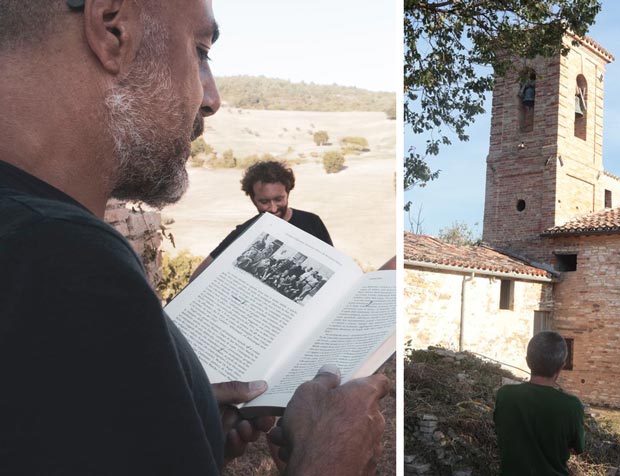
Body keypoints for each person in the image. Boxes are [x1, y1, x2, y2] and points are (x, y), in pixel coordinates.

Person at [0, 0, 388, 474]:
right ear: (112, 29)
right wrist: (330, 457)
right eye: (201, 51)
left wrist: (182, 430)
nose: (211, 98)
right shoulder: (64, 260)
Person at [190, 160, 332, 280]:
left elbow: (334, 268)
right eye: (264, 201)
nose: (273, 208)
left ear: (287, 193)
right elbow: (196, 277)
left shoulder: (312, 222)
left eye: (279, 199)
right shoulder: (244, 232)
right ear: (253, 199)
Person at [494, 331, 585, 476]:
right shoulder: (572, 406)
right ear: (562, 366)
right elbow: (577, 448)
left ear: (528, 361)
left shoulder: (505, 395)